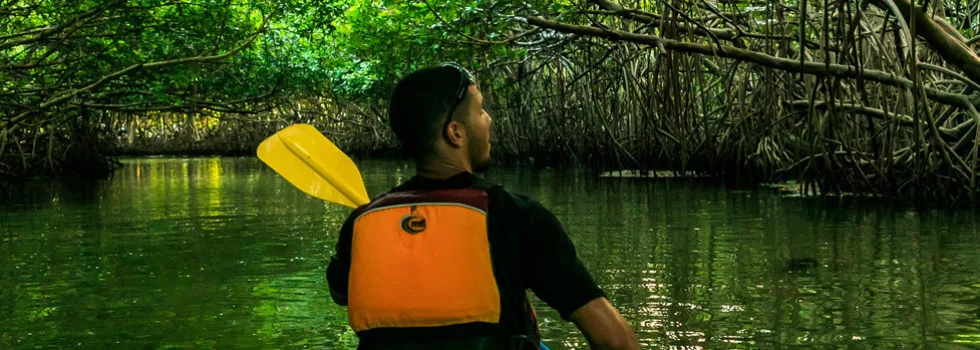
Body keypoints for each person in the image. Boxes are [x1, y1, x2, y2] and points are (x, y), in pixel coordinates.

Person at [326, 63, 640, 350]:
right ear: (456, 133)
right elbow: (614, 340)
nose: (488, 120)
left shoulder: (362, 223)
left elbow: (341, 295)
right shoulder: (516, 216)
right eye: (481, 111)